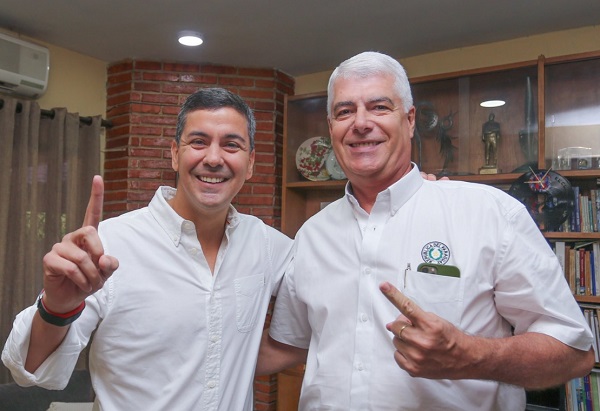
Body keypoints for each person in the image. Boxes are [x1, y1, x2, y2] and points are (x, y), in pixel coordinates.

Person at [257, 51, 595, 410]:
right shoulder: (312, 235)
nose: (361, 123)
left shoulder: (489, 213)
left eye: (379, 107)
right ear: (331, 128)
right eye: (344, 111)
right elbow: (290, 343)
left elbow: (574, 352)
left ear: (410, 119)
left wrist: (471, 356)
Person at [2, 88, 295, 411]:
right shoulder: (110, 244)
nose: (213, 159)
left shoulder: (265, 244)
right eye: (198, 142)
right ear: (175, 154)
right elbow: (29, 369)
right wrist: (56, 308)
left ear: (250, 163)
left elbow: (325, 291)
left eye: (231, 145)